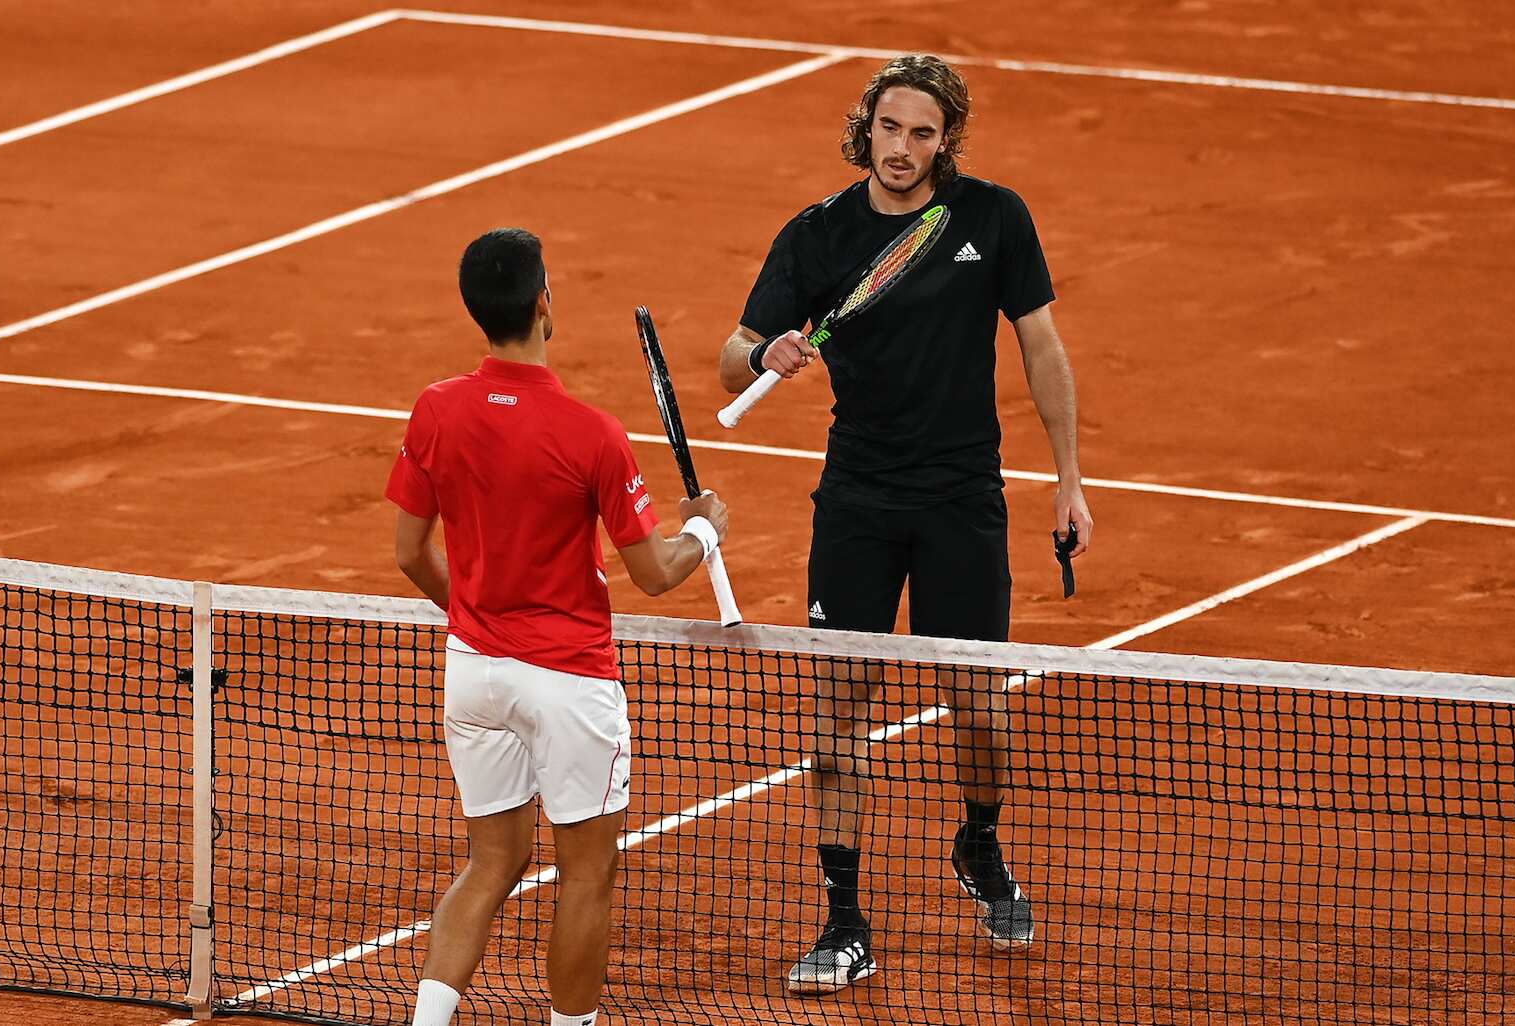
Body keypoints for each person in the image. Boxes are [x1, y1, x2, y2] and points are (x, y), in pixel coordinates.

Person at [715, 55, 1093, 994]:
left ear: (945, 140)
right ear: (867, 127)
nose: (902, 148)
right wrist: (770, 346)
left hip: (964, 498)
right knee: (838, 714)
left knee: (980, 710)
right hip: (858, 502)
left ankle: (977, 840)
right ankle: (844, 922)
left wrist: (1069, 480)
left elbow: (1040, 345)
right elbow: (730, 360)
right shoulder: (818, 236)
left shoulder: (993, 218)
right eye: (890, 128)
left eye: (923, 133)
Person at [391, 227, 730, 1026]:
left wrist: (479, 613)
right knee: (586, 875)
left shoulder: (436, 408)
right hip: (572, 683)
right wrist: (708, 530)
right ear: (545, 304)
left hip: (474, 671)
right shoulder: (593, 434)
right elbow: (654, 571)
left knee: (490, 861)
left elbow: (409, 552)